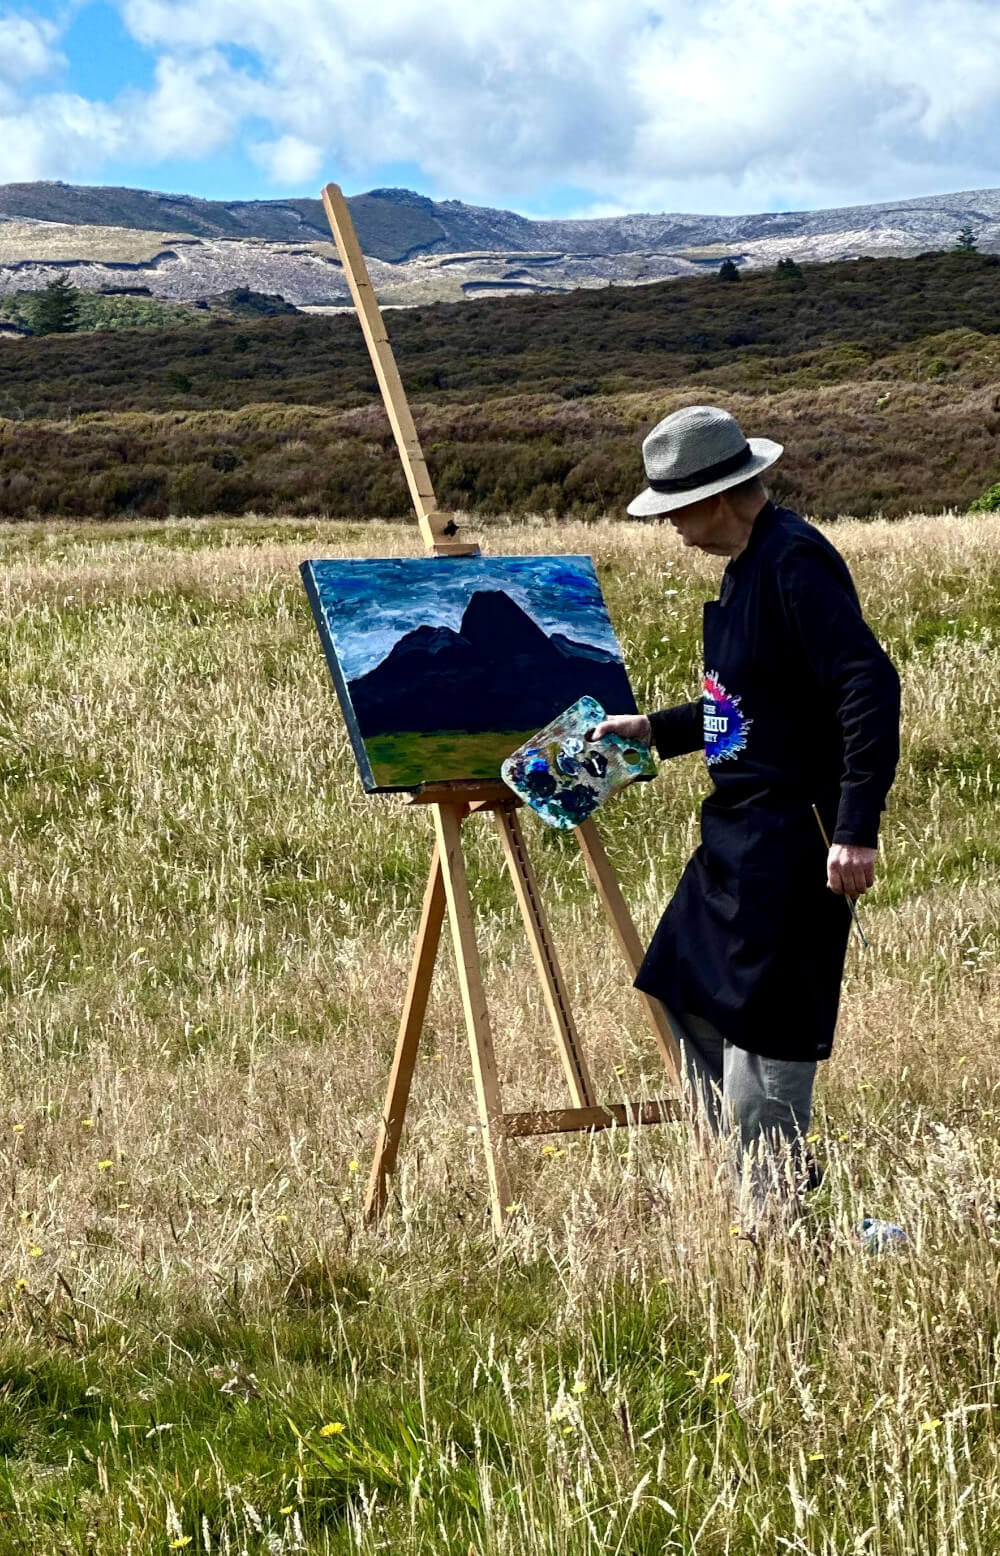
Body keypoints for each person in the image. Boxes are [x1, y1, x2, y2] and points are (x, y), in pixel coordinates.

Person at [595, 405, 900, 1210]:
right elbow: (757, 700)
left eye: (674, 511)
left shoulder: (795, 562)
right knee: (679, 981)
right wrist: (655, 730)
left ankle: (775, 1214)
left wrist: (854, 828)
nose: (669, 528)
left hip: (790, 845)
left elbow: (869, 686)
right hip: (734, 838)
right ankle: (751, 1183)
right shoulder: (746, 567)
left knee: (766, 1029)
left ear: (721, 497)